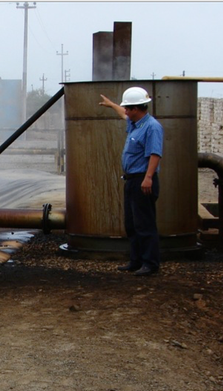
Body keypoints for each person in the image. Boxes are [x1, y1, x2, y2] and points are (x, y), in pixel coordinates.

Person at [98, 86, 163, 276]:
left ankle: (150, 264)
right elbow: (123, 116)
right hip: (131, 181)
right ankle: (136, 261)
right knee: (132, 224)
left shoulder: (152, 127)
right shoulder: (136, 124)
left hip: (143, 180)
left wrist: (148, 178)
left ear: (137, 108)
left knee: (145, 224)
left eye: (128, 108)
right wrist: (111, 105)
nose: (125, 111)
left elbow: (155, 154)